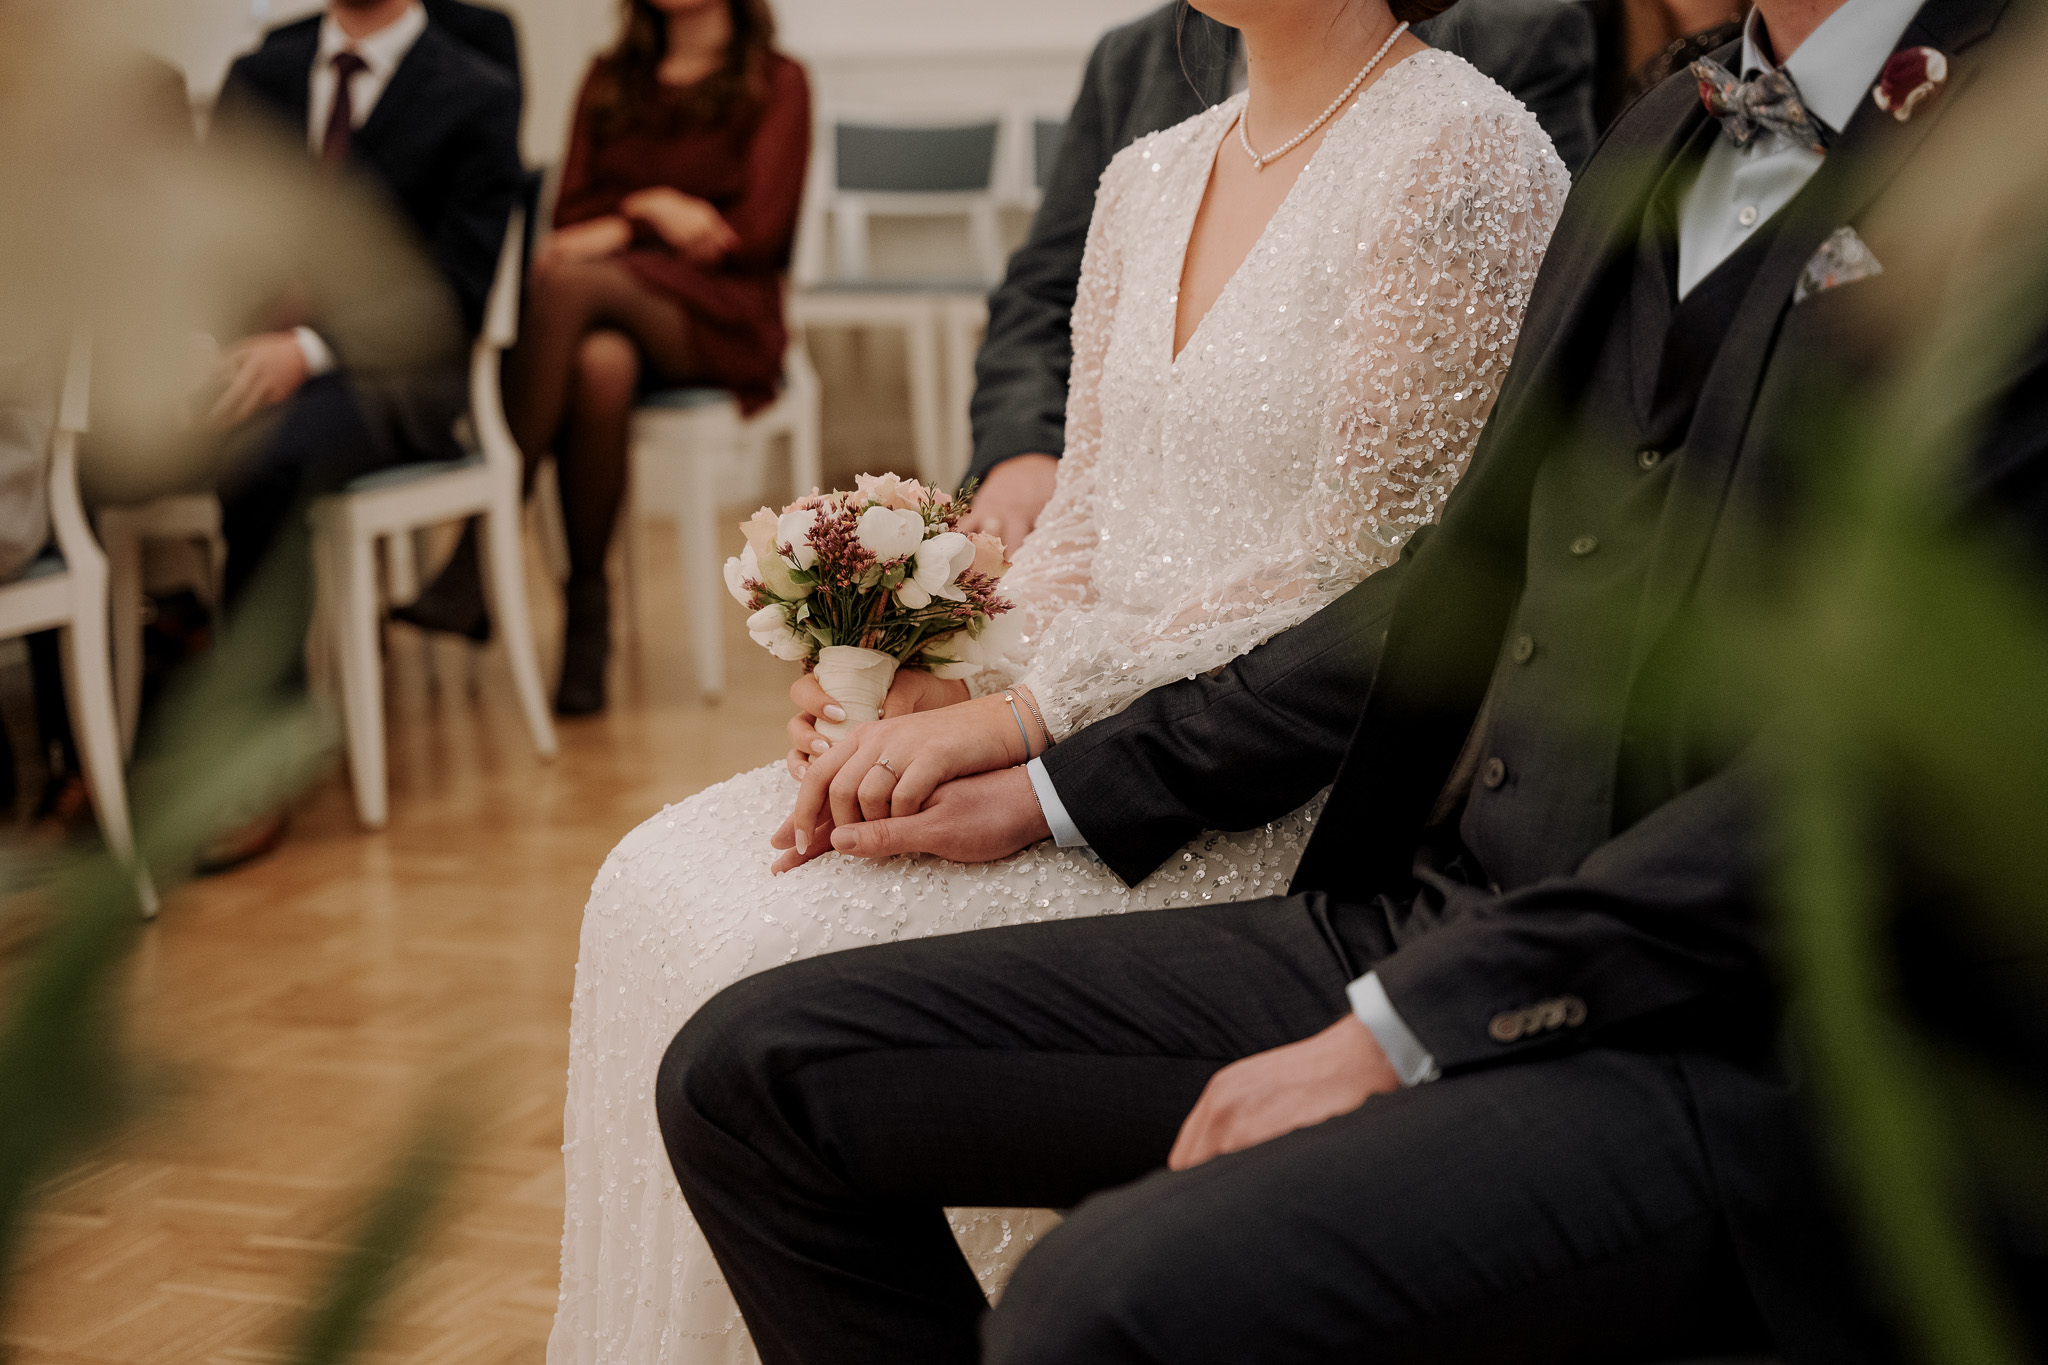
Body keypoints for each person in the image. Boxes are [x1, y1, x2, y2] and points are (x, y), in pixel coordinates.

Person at [653, 0, 2041, 1357]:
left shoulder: (2014, 157)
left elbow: (1901, 772)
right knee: (753, 1077)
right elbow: (1456, 582)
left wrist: (1413, 1022)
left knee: (1094, 1304)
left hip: (1769, 1032)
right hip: (1448, 908)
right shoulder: (1670, 126)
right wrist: (1060, 785)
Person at [553, 0, 1567, 1358]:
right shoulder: (1148, 172)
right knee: (653, 885)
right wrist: (930, 676)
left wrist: (1024, 721)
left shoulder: (1461, 153)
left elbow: (1361, 578)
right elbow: (1084, 524)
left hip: (1266, 778)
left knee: (765, 948)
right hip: (1092, 702)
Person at [960, 0, 1599, 548]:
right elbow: (1047, 286)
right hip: (1109, 579)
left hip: (1321, 627)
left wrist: (1074, 674)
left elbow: (1373, 541)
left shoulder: (1472, 137)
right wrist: (1023, 453)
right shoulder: (1143, 159)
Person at [397, 0, 809, 716]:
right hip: (613, 308)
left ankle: (478, 555)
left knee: (568, 287)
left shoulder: (777, 80)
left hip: (723, 312)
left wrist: (625, 230)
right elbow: (570, 222)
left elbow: (754, 234)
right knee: (599, 366)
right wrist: (651, 209)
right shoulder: (611, 77)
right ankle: (587, 621)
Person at [199, 0, 521, 863]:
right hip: (241, 354)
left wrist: (308, 350)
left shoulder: (474, 91)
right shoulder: (259, 74)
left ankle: (258, 757)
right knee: (101, 462)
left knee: (265, 457)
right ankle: (119, 741)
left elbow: (453, 293)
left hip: (392, 379)